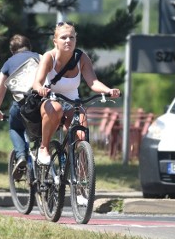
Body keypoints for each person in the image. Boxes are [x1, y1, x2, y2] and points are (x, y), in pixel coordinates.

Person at [32, 21, 120, 165]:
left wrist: (108, 90)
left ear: (75, 39)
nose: (68, 41)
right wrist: (40, 89)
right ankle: (44, 147)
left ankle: (79, 173)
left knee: (82, 135)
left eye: (71, 37)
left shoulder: (81, 58)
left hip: (73, 103)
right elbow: (37, 82)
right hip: (50, 100)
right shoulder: (49, 57)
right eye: (63, 37)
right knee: (56, 108)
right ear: (55, 41)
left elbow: (93, 82)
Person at [0, 34, 40, 179]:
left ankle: (21, 156)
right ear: (29, 47)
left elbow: (0, 92)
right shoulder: (40, 57)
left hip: (22, 105)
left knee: (15, 127)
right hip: (42, 103)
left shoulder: (8, 63)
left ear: (12, 51)